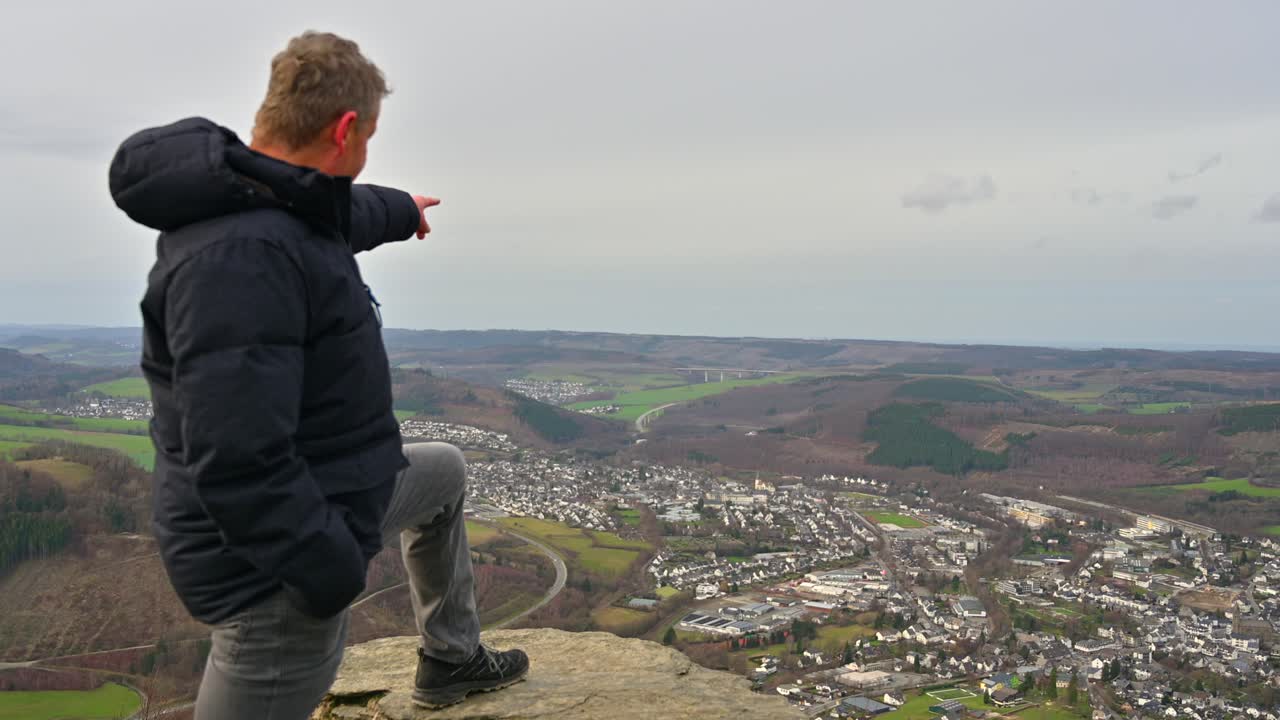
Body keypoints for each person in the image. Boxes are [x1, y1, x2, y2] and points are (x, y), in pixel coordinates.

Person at [108, 31, 528, 719]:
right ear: (345, 131)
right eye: (367, 142)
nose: (363, 161)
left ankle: (452, 661)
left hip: (331, 495)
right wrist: (330, 573)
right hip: (269, 570)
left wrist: (401, 211)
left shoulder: (264, 201)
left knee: (443, 473)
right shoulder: (242, 261)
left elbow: (331, 213)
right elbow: (239, 464)